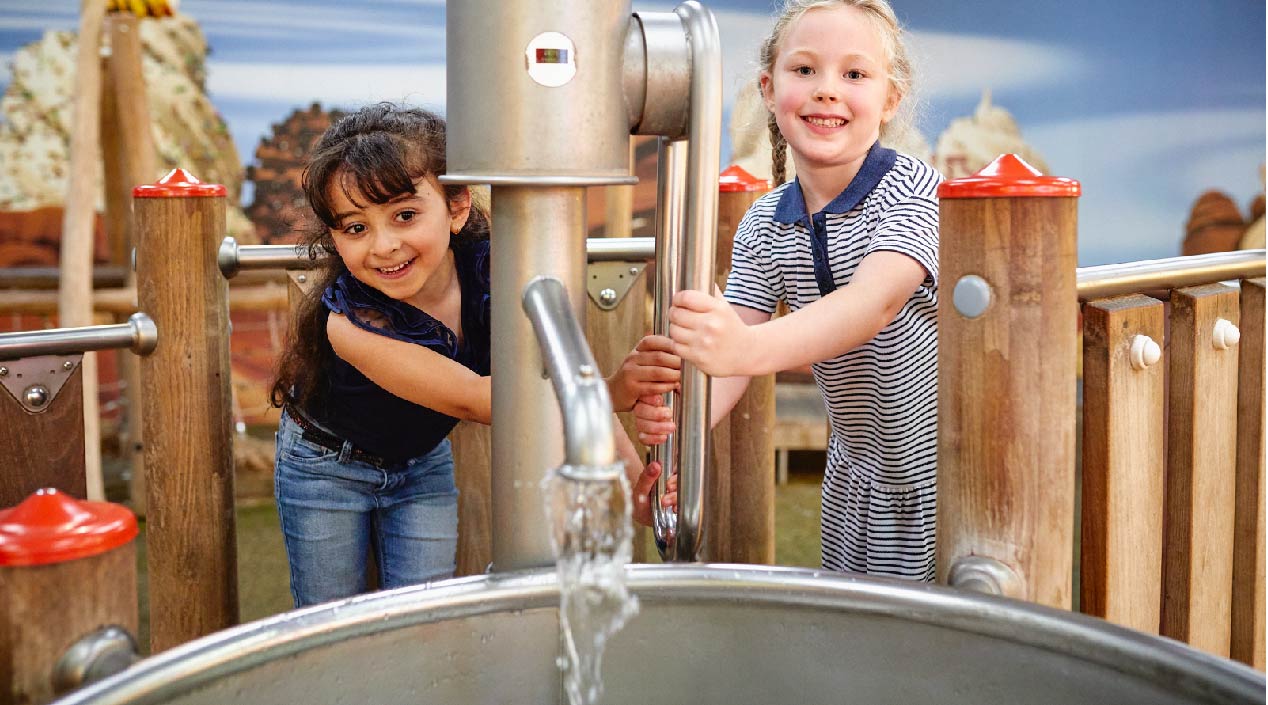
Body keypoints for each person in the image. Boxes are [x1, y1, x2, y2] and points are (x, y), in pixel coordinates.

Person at [271, 103, 678, 607]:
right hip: (326, 466)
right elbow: (476, 399)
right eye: (355, 228)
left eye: (405, 215)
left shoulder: (496, 271)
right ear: (334, 236)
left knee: (426, 611)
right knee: (327, 615)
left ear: (457, 207)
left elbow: (565, 370)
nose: (383, 245)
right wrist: (610, 391)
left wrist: (640, 490)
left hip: (419, 463)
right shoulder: (352, 325)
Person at [635, 0, 941, 581]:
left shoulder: (912, 189)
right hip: (856, 477)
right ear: (769, 91)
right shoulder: (767, 222)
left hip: (938, 474)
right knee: (849, 634)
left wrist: (743, 348)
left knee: (926, 646)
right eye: (805, 71)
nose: (827, 90)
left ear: (890, 99)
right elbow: (732, 352)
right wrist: (684, 436)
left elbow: (872, 304)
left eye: (854, 74)